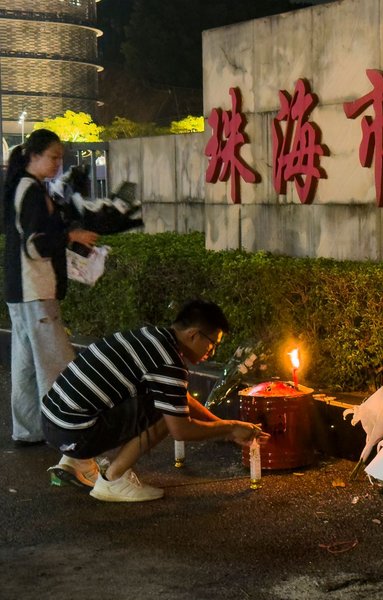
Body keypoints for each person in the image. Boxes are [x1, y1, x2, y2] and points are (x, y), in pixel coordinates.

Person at [42, 298, 268, 502]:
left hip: (53, 423)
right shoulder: (169, 361)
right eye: (212, 344)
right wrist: (230, 427)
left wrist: (222, 426)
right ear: (193, 334)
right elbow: (181, 430)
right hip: (74, 433)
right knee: (164, 411)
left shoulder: (152, 337)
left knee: (165, 401)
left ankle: (76, 461)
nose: (212, 353)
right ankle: (113, 479)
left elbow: (180, 398)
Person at [4, 128, 98, 444]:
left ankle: (28, 431)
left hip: (21, 290)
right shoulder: (32, 191)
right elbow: (36, 245)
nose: (59, 163)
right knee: (56, 364)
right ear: (34, 156)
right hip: (36, 289)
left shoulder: (24, 186)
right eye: (54, 157)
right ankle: (68, 433)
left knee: (27, 365)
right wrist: (70, 236)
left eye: (61, 158)